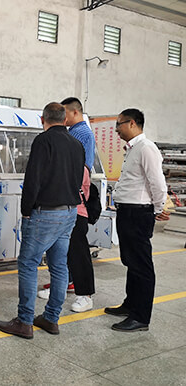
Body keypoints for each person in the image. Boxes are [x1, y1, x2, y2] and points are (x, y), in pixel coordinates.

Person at [0, 102, 84, 339]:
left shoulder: (43, 141)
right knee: (59, 266)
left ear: (42, 119)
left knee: (28, 264)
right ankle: (51, 318)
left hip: (45, 213)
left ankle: (24, 322)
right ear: (65, 119)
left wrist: (26, 210)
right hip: (69, 212)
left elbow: (33, 178)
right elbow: (78, 179)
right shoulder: (76, 144)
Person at [105, 108, 169, 332]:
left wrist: (158, 209)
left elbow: (157, 182)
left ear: (132, 123)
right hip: (127, 211)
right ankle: (130, 304)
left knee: (141, 265)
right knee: (130, 261)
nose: (116, 130)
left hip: (139, 213)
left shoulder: (146, 148)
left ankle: (141, 317)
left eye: (119, 124)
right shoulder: (132, 149)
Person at [38, 97, 97, 313]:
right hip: (64, 199)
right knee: (62, 250)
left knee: (78, 249)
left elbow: (78, 168)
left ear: (74, 112)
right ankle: (61, 286)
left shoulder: (80, 134)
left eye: (64, 113)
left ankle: (85, 294)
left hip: (75, 200)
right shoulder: (71, 133)